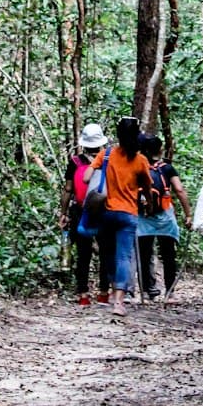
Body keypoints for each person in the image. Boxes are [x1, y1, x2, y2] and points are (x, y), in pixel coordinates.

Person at [87, 116, 153, 318]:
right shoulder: (140, 160)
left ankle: (109, 290)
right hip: (128, 213)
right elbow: (147, 187)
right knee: (124, 256)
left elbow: (85, 177)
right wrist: (148, 204)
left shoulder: (106, 155)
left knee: (108, 255)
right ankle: (119, 301)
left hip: (106, 212)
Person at [61, 122, 111, 305]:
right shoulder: (109, 160)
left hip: (80, 210)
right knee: (106, 251)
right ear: (101, 143)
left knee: (83, 253)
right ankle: (104, 292)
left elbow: (68, 189)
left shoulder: (75, 162)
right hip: (106, 209)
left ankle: (83, 294)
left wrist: (63, 212)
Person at [136, 134, 191, 300]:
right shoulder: (167, 168)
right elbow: (179, 190)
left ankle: (146, 291)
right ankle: (170, 291)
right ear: (160, 150)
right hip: (165, 217)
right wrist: (188, 214)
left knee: (144, 256)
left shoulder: (138, 166)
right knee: (168, 255)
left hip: (143, 217)